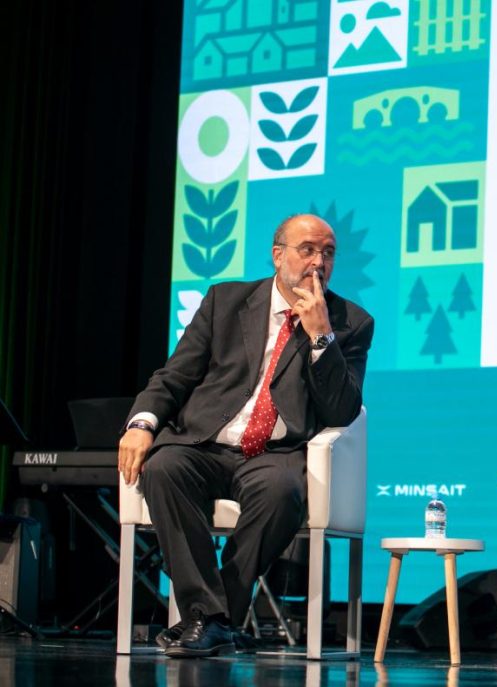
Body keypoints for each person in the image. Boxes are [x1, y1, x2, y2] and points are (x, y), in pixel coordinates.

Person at [118, 213, 374, 657]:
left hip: (275, 452)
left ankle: (207, 619)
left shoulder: (350, 321)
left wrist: (321, 337)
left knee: (281, 492)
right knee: (163, 467)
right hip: (204, 444)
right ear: (278, 255)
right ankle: (215, 620)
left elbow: (342, 410)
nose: (319, 262)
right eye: (307, 250)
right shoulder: (225, 301)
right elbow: (175, 377)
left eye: (328, 253)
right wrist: (142, 424)